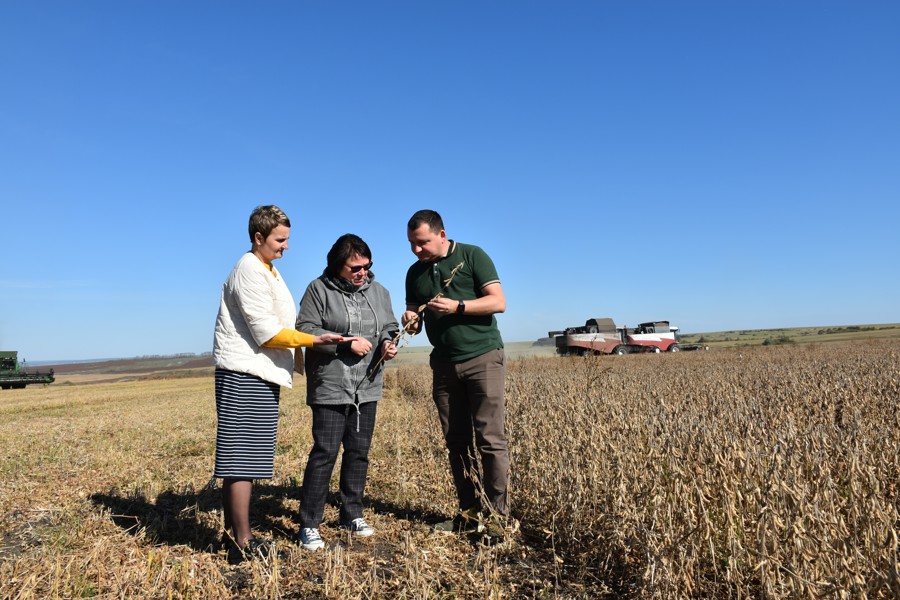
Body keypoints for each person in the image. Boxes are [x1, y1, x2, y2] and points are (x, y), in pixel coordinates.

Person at [212, 205, 343, 562]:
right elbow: (266, 332)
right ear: (258, 237)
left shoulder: (267, 269)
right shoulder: (249, 270)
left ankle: (239, 536)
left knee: (249, 458)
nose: (286, 247)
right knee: (240, 459)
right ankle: (241, 542)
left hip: (260, 373)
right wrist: (316, 340)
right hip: (244, 373)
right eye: (280, 240)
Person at [401, 209, 513, 539]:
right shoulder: (414, 273)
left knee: (490, 440)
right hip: (444, 363)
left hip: (483, 357)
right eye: (411, 244)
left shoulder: (472, 255)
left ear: (442, 235)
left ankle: (496, 519)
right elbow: (416, 323)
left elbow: (498, 302)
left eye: (422, 243)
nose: (416, 250)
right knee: (456, 442)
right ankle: (469, 513)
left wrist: (457, 306)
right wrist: (411, 319)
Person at [295, 233, 399, 551]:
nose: (361, 273)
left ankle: (351, 513)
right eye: (355, 267)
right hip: (330, 385)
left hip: (367, 385)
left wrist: (388, 342)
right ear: (338, 265)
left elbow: (389, 325)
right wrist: (344, 340)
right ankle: (309, 524)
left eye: (366, 266)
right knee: (325, 453)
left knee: (358, 453)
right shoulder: (318, 289)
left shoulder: (379, 291)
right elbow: (305, 329)